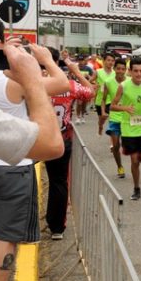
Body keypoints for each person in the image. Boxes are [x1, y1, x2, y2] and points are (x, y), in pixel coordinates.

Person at [0, 18, 70, 281]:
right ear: (0, 43)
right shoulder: (12, 77)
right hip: (13, 163)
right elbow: (61, 84)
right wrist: (45, 60)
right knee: (5, 235)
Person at [45, 50, 94, 241]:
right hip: (61, 139)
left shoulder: (34, 81)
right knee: (59, 181)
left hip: (35, 136)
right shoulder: (69, 84)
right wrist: (77, 72)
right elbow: (90, 92)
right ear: (57, 62)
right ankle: (56, 226)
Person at [110, 58, 141, 200]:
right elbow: (112, 106)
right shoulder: (123, 86)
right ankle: (137, 188)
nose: (138, 74)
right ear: (130, 71)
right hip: (128, 129)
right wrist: (125, 108)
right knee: (135, 161)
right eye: (135, 71)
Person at [102, 58, 128, 178]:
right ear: (114, 69)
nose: (120, 71)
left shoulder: (130, 81)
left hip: (128, 117)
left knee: (129, 144)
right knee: (116, 145)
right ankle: (120, 167)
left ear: (126, 70)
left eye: (123, 69)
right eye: (118, 69)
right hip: (114, 116)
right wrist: (103, 111)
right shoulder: (108, 82)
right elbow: (103, 99)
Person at [90, 53, 115, 135]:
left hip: (111, 99)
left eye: (112, 61)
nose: (110, 62)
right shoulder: (98, 72)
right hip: (100, 99)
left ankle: (113, 132)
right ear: (104, 61)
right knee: (102, 118)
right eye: (108, 60)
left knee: (112, 117)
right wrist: (94, 86)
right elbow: (89, 81)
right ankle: (100, 126)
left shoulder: (115, 73)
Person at [74, 54, 94, 125]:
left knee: (84, 103)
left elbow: (92, 77)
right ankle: (78, 117)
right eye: (79, 60)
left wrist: (88, 76)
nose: (81, 62)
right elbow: (70, 75)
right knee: (79, 103)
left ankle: (82, 116)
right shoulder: (75, 68)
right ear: (78, 61)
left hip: (86, 88)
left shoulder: (88, 69)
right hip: (78, 87)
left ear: (84, 61)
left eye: (82, 60)